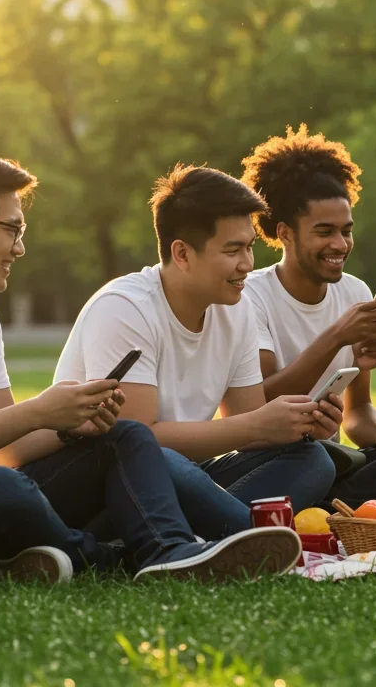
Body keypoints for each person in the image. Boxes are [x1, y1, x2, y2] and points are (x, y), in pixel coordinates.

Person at [0, 140, 299, 584]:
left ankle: (173, 552)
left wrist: (76, 423)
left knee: (127, 436)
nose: (20, 247)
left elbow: (8, 448)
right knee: (1, 490)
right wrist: (39, 411)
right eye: (11, 229)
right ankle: (101, 555)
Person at [54, 164, 338, 533]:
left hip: (187, 471)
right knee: (165, 464)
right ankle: (243, 533)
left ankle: (208, 532)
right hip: (108, 481)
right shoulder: (124, 308)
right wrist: (255, 425)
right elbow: (133, 442)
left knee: (314, 459)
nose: (247, 265)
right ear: (183, 254)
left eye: (250, 248)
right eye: (233, 250)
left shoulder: (237, 311)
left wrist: (297, 426)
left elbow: (249, 428)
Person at [237, 125, 376, 506]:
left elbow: (358, 412)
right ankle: (332, 507)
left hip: (331, 459)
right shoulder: (250, 296)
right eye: (324, 232)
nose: (340, 244)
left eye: (346, 231)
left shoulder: (354, 292)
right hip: (274, 460)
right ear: (285, 233)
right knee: (314, 461)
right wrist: (336, 337)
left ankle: (330, 507)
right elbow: (254, 407)